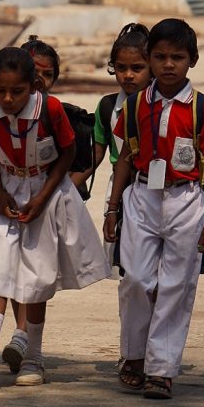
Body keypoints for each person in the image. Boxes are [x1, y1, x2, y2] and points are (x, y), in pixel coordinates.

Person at [0, 46, 110, 394]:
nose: (8, 98)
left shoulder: (51, 109)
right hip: (5, 190)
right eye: (1, 90)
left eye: (17, 91)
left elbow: (69, 152)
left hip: (42, 187)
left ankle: (34, 357)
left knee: (35, 276)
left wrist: (43, 196)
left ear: (33, 85)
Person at [102, 18, 204, 399]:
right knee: (136, 279)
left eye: (177, 57)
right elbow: (126, 155)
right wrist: (111, 208)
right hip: (141, 198)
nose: (168, 64)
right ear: (149, 58)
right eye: (160, 57)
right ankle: (134, 355)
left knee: (176, 284)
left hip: (186, 199)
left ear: (193, 60)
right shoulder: (138, 102)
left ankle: (161, 369)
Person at [80, 23, 151, 279]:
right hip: (120, 191)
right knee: (126, 271)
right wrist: (69, 186)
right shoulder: (108, 106)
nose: (128, 75)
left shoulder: (163, 105)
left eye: (137, 68)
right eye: (121, 68)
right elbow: (95, 155)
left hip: (156, 190)